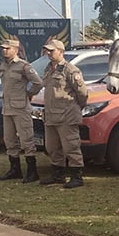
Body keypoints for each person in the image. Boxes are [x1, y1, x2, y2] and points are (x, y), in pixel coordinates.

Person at [39, 39, 88, 188]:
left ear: (61, 52)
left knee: (71, 147)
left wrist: (74, 108)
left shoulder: (70, 70)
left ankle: (76, 177)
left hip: (66, 116)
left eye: (52, 51)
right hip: (51, 116)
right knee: (52, 147)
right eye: (47, 50)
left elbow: (82, 94)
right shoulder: (49, 69)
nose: (49, 53)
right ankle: (58, 175)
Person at [0, 39, 44, 183]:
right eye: (3, 48)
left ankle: (32, 171)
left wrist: (29, 94)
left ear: (16, 50)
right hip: (7, 108)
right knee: (9, 140)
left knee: (26, 140)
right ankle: (15, 169)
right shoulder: (4, 66)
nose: (4, 50)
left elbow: (38, 82)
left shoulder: (23, 66)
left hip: (21, 108)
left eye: (7, 48)